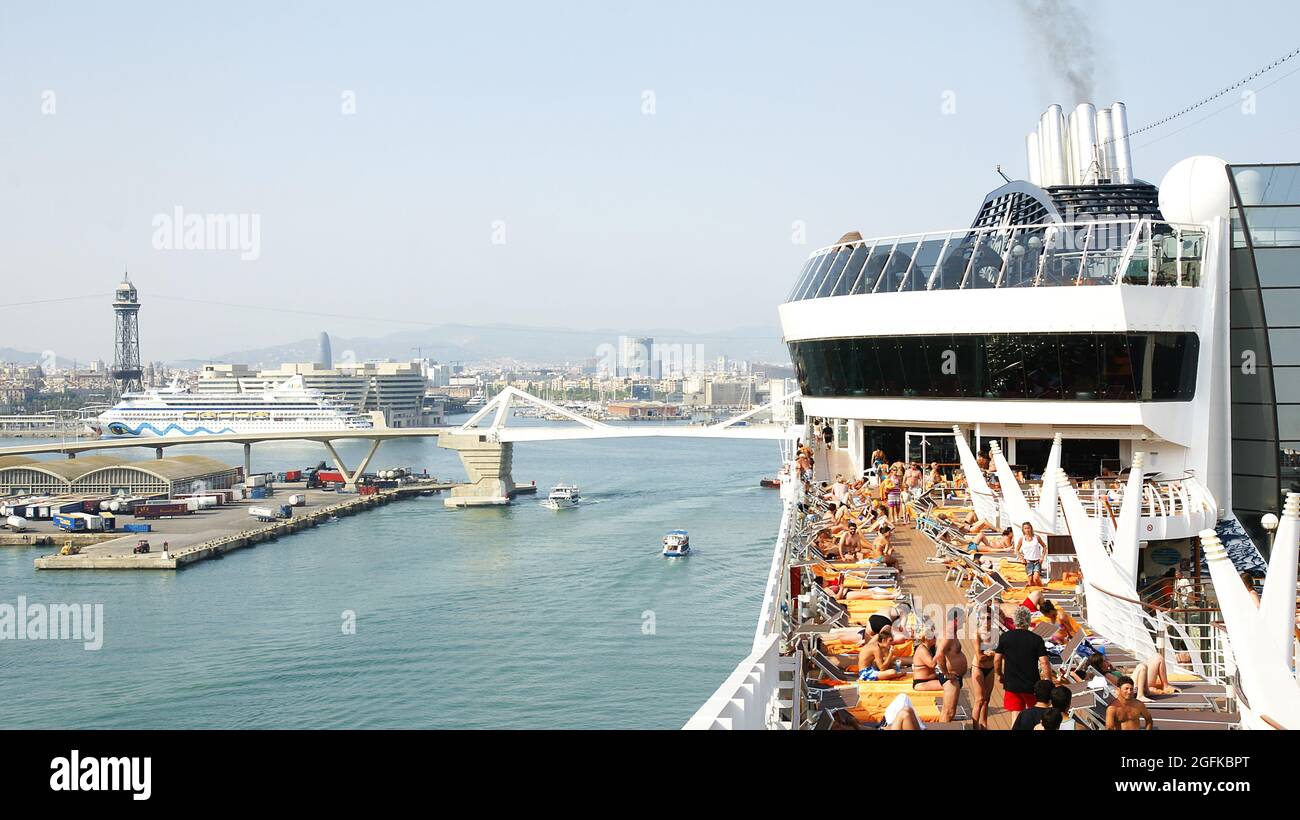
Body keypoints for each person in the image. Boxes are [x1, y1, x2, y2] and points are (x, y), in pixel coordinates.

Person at [994, 606, 1050, 712]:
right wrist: (1049, 681)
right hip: (1031, 685)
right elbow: (1044, 662)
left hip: (1011, 684)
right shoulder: (1036, 639)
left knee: (1016, 714)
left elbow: (997, 660)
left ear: (1015, 620)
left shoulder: (1005, 637)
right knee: (1033, 714)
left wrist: (1000, 675)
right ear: (1029, 620)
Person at [935, 607, 968, 722]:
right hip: (950, 678)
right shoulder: (948, 634)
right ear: (955, 620)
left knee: (947, 710)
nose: (964, 622)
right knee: (949, 712)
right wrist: (946, 674)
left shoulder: (951, 633)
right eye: (962, 619)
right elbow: (939, 655)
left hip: (954, 677)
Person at [969, 603, 997, 730]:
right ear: (978, 619)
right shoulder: (977, 634)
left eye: (989, 618)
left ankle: (983, 725)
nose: (986, 621)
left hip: (990, 669)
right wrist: (991, 653)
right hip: (978, 668)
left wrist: (990, 653)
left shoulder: (995, 633)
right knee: (979, 700)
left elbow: (1000, 652)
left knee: (987, 700)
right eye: (983, 618)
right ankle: (975, 727)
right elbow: (979, 657)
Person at [1016, 521, 1048, 587]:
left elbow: (1044, 546)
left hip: (1037, 561)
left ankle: (1041, 588)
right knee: (1030, 581)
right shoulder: (1022, 539)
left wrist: (1042, 557)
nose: (1027, 530)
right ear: (1023, 530)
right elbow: (1016, 550)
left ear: (1031, 528)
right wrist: (1022, 558)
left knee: (1036, 578)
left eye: (1028, 528)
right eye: (1025, 528)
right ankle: (1035, 590)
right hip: (1028, 562)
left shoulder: (1037, 537)